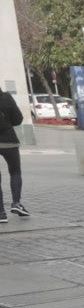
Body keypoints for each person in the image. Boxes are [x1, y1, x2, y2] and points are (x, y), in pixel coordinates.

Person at [0, 89, 26, 222]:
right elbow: (18, 119)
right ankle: (16, 203)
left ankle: (1, 213)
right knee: (15, 172)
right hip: (9, 141)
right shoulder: (6, 97)